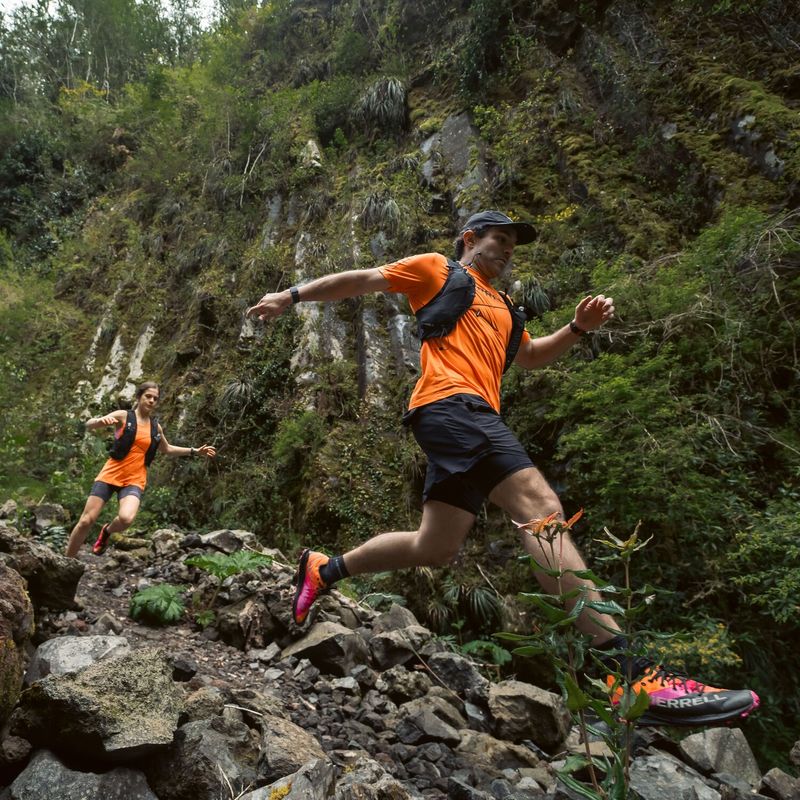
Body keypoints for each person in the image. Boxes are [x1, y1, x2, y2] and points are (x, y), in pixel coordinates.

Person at [246, 210, 759, 726]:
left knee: (436, 546)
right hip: (451, 405)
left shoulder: (508, 308)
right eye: (501, 239)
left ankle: (325, 568)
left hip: (466, 417)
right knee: (539, 505)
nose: (509, 250)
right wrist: (290, 296)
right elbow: (363, 279)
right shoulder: (437, 270)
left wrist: (578, 328)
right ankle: (625, 673)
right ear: (471, 239)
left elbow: (531, 356)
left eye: (514, 244)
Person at [64, 381, 216, 558]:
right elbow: (89, 425)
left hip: (135, 479)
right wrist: (98, 421)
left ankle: (106, 531)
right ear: (139, 397)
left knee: (126, 519)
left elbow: (167, 449)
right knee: (86, 521)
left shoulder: (155, 427)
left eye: (155, 398)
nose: (151, 400)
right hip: (111, 473)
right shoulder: (123, 416)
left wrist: (195, 451)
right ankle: (67, 560)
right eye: (148, 396)